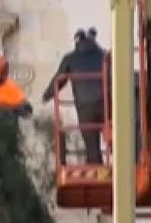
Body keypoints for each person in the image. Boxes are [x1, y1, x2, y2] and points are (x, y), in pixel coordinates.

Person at [42, 28, 107, 164]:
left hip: (84, 105)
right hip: (105, 102)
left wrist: (47, 95)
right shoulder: (104, 56)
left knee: (91, 144)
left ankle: (96, 169)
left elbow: (59, 80)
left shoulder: (70, 58)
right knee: (114, 136)